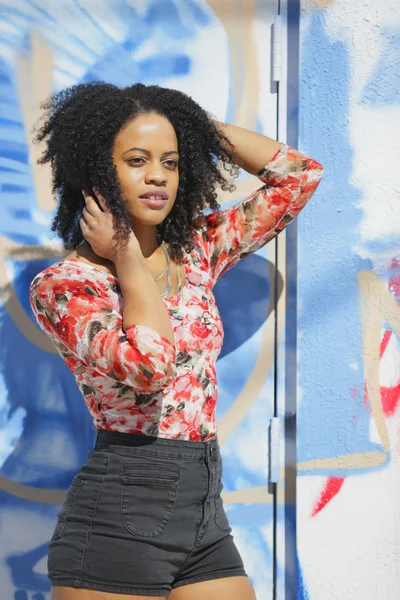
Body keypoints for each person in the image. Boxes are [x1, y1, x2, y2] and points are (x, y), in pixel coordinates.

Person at [29, 82, 324, 600]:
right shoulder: (66, 287)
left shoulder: (196, 251)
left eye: (171, 160)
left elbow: (299, 178)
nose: (158, 175)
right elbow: (150, 366)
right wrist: (125, 258)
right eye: (138, 160)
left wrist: (192, 125)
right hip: (122, 508)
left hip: (204, 505)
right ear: (98, 171)